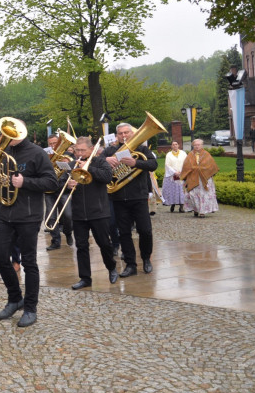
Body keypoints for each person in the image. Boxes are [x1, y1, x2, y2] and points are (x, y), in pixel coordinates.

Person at [0, 119, 58, 327]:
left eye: (12, 134)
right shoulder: (3, 152)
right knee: (0, 257)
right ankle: (15, 298)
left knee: (29, 262)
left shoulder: (37, 153)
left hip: (28, 215)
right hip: (6, 213)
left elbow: (51, 182)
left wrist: (25, 181)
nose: (9, 138)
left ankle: (30, 307)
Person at [63, 137, 119, 290]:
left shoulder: (100, 162)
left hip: (98, 211)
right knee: (81, 246)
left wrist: (88, 169)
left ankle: (111, 267)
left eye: (82, 150)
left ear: (90, 149)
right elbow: (58, 183)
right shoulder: (71, 164)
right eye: (77, 151)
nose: (79, 154)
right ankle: (85, 278)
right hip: (79, 212)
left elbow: (107, 177)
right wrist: (68, 184)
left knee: (104, 243)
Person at [103, 122, 158, 278]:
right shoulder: (110, 151)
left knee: (145, 230)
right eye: (121, 133)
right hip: (119, 198)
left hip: (139, 196)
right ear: (116, 135)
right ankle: (130, 264)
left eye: (127, 132)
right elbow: (96, 163)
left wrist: (136, 163)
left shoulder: (141, 148)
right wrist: (106, 160)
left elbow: (153, 164)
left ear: (132, 133)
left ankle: (146, 258)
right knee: (124, 233)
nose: (124, 135)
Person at [43, 133, 74, 251]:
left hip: (64, 189)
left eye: (54, 143)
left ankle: (68, 233)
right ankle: (55, 241)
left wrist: (68, 163)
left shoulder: (68, 155)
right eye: (50, 144)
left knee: (68, 216)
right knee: (50, 217)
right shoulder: (45, 156)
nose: (52, 146)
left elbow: (75, 168)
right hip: (49, 190)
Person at [181, 139, 220, 218]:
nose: (197, 146)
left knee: (203, 195)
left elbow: (211, 166)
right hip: (193, 178)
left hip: (204, 179)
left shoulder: (206, 154)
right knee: (193, 194)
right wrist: (194, 168)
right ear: (193, 146)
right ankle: (195, 209)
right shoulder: (190, 155)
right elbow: (186, 166)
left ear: (202, 145)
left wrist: (200, 168)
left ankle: (202, 212)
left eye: (198, 145)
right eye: (195, 145)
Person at [162, 141, 186, 212]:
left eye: (176, 144)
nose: (175, 146)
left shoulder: (183, 153)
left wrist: (181, 172)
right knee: (173, 191)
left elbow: (186, 163)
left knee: (181, 191)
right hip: (172, 176)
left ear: (178, 145)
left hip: (182, 174)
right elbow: (167, 165)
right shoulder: (168, 154)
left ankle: (181, 207)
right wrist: (174, 172)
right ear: (171, 146)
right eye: (173, 145)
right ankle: (172, 204)